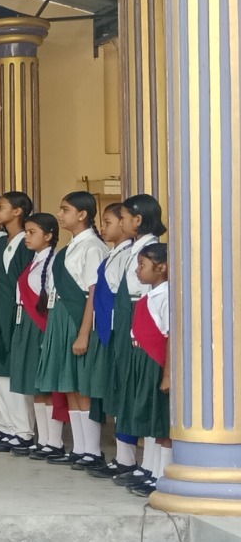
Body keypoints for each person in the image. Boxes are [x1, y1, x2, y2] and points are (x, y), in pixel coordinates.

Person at [34, 192, 108, 468]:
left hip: (77, 318)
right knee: (69, 385)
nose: (60, 214)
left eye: (66, 209)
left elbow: (93, 293)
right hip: (60, 316)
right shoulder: (69, 248)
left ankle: (93, 449)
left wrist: (84, 332)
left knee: (83, 384)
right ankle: (79, 447)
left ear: (83, 215)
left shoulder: (93, 248)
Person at [102, 195, 167, 486]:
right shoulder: (132, 247)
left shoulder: (150, 249)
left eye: (125, 217)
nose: (122, 221)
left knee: (148, 403)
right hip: (129, 325)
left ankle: (150, 466)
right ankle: (133, 460)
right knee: (132, 395)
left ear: (138, 220)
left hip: (143, 332)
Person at [83, 204, 141, 481]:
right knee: (114, 393)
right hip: (106, 330)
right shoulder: (113, 254)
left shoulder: (131, 254)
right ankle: (122, 458)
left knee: (124, 393)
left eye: (108, 222)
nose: (102, 227)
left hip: (120, 331)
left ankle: (128, 460)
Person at [0, 192, 35, 453]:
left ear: (17, 211)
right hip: (0, 309)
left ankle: (23, 430)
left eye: (1, 207)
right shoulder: (3, 242)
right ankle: (7, 425)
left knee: (13, 370)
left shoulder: (23, 244)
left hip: (16, 311)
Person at [11, 212, 62, 460]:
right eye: (26, 232)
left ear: (49, 235)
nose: (26, 237)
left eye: (32, 232)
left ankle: (55, 440)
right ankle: (43, 439)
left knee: (46, 385)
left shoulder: (52, 262)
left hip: (40, 323)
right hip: (26, 322)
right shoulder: (35, 260)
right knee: (35, 384)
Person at [123, 241, 171, 498]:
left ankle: (163, 475)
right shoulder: (150, 293)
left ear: (161, 267)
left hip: (156, 362)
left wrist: (168, 373)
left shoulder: (167, 295)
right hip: (142, 358)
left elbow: (171, 336)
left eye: (142, 265)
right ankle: (151, 469)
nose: (137, 271)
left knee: (161, 422)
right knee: (150, 419)